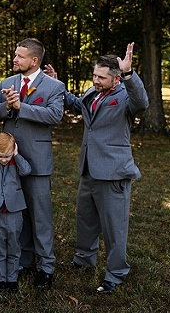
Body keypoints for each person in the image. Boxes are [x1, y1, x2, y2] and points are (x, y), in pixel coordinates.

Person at [50, 42, 148, 294]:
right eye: (94, 75)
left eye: (101, 77)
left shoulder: (125, 96)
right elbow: (76, 105)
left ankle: (115, 273)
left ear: (116, 79)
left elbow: (142, 103)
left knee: (114, 227)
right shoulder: (92, 93)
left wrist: (129, 74)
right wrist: (57, 85)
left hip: (113, 171)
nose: (95, 80)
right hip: (89, 168)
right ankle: (84, 259)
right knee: (85, 218)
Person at [0, 38, 65, 289]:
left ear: (34, 61)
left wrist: (22, 106)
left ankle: (46, 266)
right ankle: (23, 259)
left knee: (40, 215)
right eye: (15, 55)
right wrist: (8, 107)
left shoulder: (54, 86)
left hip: (38, 160)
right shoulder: (7, 83)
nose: (15, 59)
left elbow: (55, 115)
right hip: (8, 161)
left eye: (20, 56)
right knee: (16, 211)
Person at [0, 133, 31, 292]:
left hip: (14, 210)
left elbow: (26, 171)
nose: (4, 159)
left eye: (7, 156)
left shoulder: (16, 161)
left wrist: (15, 155)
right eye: (1, 156)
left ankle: (12, 278)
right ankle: (0, 279)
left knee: (14, 245)